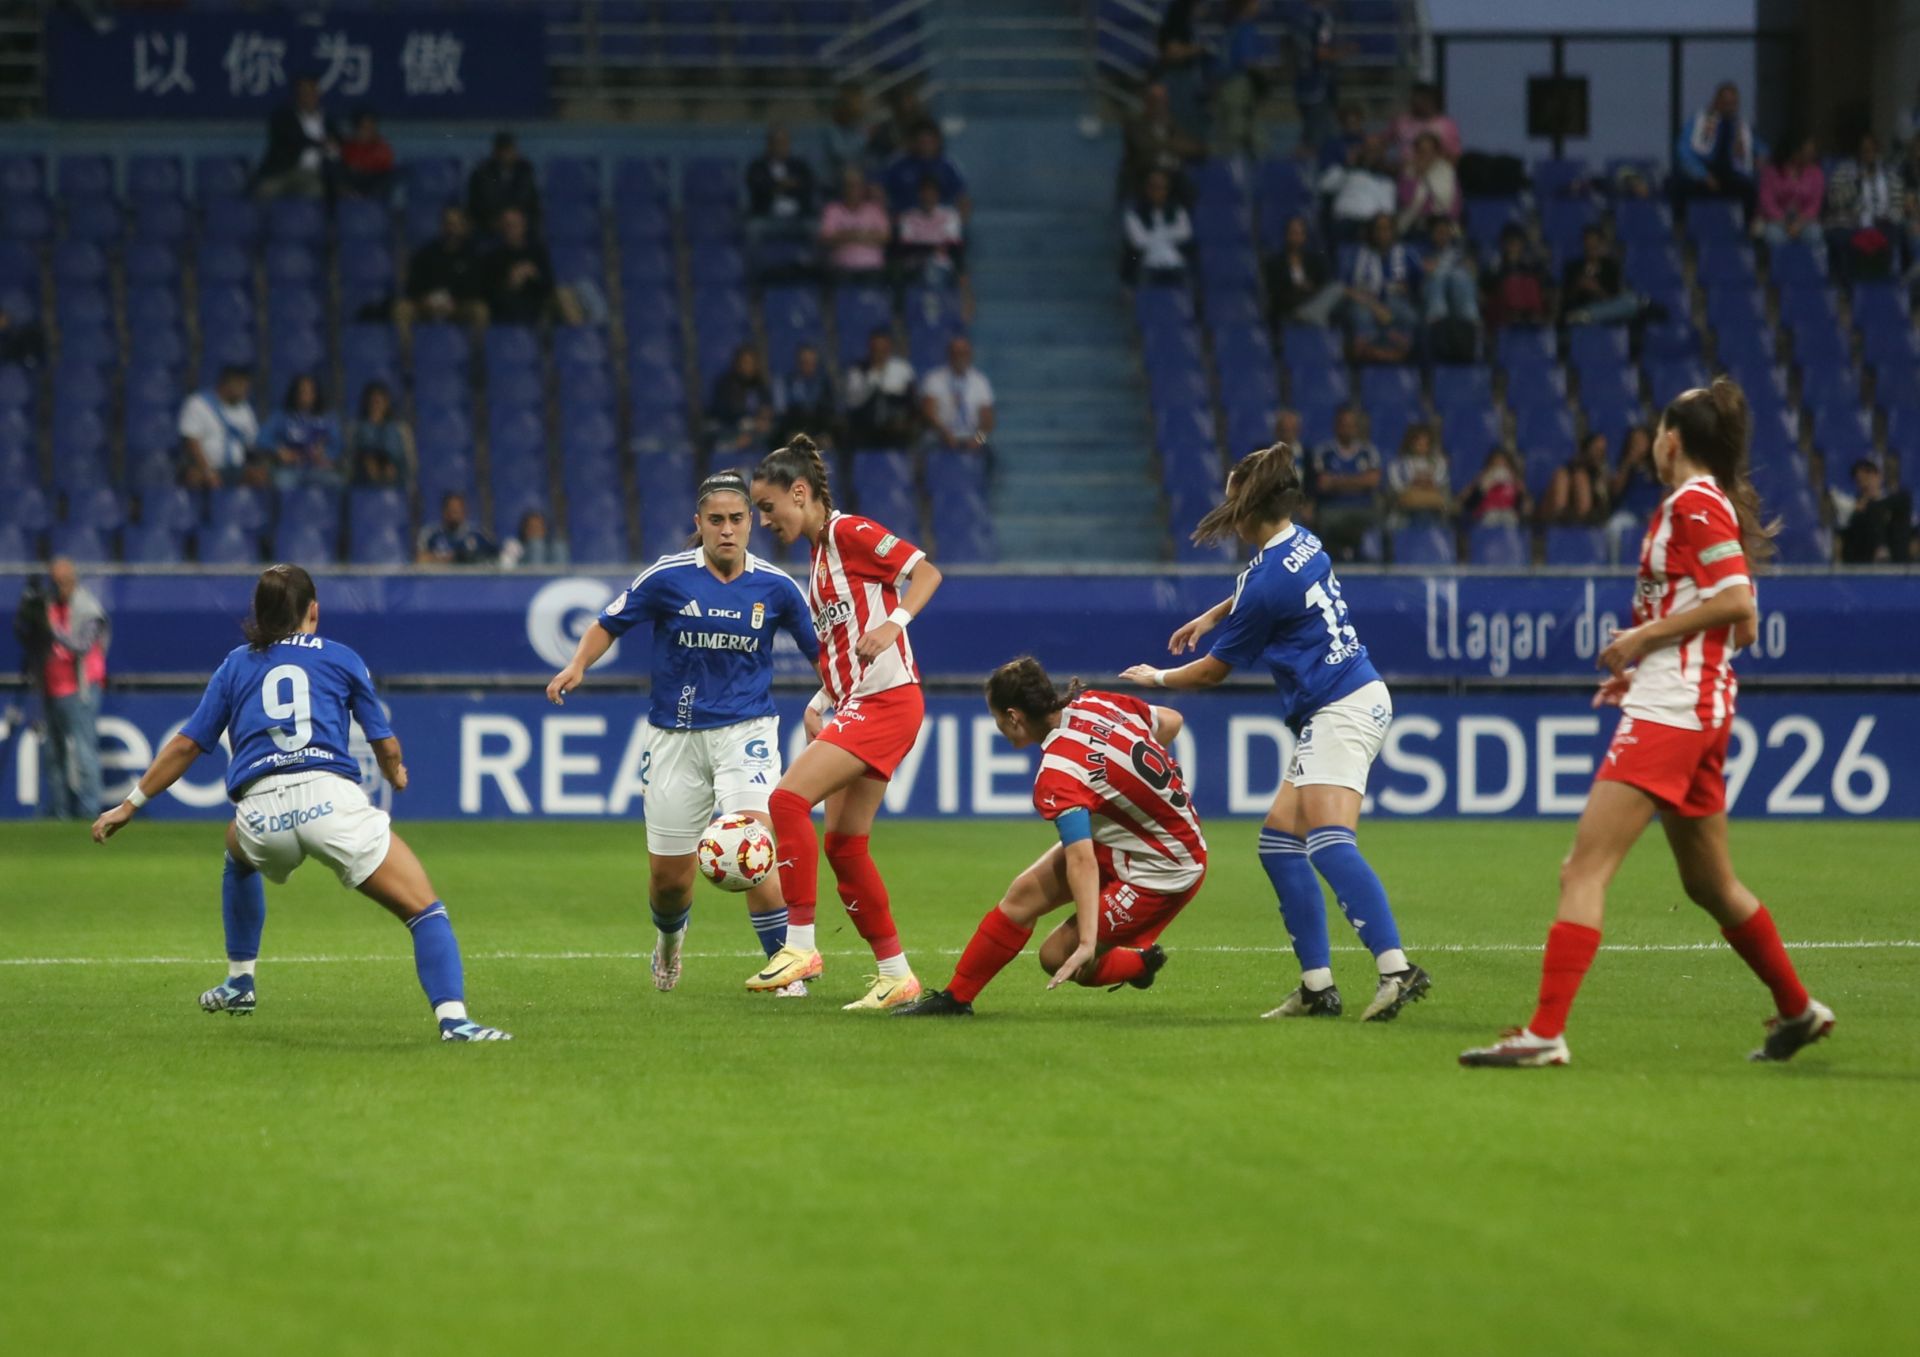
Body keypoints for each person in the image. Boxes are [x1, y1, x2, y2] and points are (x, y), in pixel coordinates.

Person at [1462, 380, 1833, 1067]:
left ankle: (1544, 1032)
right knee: (1709, 884)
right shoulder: (1697, 505)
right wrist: (1648, 663)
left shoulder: (1694, 504)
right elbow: (1731, 619)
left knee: (1583, 867)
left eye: (1658, 428)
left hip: (1676, 712)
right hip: (1690, 703)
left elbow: (1739, 610)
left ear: (1670, 440)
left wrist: (1644, 640)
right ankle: (1798, 1008)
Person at [89, 565, 510, 1042]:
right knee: (424, 911)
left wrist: (130, 804)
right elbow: (384, 743)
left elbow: (187, 745)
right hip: (330, 801)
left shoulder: (235, 665)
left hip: (262, 812)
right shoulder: (342, 657)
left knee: (236, 851)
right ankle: (454, 1021)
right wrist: (395, 773)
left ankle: (240, 980)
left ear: (260, 614)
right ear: (314, 610)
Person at [1120, 444, 1431, 1022]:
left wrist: (1155, 676)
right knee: (1279, 843)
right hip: (1345, 699)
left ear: (1249, 507)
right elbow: (1258, 585)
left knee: (1330, 841)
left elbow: (1213, 671)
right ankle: (1318, 988)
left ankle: (1396, 969)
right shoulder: (1301, 540)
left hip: (1341, 707)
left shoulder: (1266, 584)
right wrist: (1213, 615)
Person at [546, 472, 821, 994]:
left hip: (747, 730)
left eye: (736, 519)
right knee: (669, 883)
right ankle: (669, 945)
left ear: (749, 525)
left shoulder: (777, 587)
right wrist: (578, 664)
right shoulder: (667, 577)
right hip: (675, 737)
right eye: (715, 520)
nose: (726, 530)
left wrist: (830, 700)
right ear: (699, 523)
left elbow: (820, 654)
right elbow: (609, 621)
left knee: (754, 846)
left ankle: (785, 971)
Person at [746, 436, 946, 1010]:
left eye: (767, 507)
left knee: (785, 801)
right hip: (863, 701)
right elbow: (845, 645)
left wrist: (896, 624)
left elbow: (927, 573)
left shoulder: (848, 532)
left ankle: (801, 946)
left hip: (888, 701)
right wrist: (821, 700)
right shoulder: (816, 558)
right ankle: (896, 974)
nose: (764, 521)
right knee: (845, 846)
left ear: (800, 493)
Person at [893, 661, 1206, 1016]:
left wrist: (1088, 941)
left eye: (996, 717)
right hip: (1134, 839)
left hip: (1165, 868)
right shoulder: (1097, 704)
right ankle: (956, 998)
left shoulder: (1059, 771)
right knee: (1023, 894)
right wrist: (1125, 781)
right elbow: (1171, 721)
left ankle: (1140, 965)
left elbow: (1081, 860)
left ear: (1014, 716)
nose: (998, 727)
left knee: (1056, 955)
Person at [31, 558, 108, 820]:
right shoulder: (48, 606)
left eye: (62, 581)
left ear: (73, 580)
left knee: (85, 752)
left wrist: (52, 629)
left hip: (80, 690)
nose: (58, 586)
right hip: (51, 689)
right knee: (53, 754)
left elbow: (81, 645)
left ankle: (88, 812)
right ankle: (60, 811)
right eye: (54, 581)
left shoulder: (89, 608)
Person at [394, 205, 487, 341]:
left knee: (480, 310)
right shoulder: (426, 253)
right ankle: (406, 357)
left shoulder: (472, 256)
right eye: (448, 223)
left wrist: (454, 300)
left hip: (457, 306)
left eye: (456, 224)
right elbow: (412, 286)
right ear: (442, 226)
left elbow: (477, 289)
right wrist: (425, 299)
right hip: (426, 305)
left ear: (463, 227)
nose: (452, 228)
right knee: (401, 309)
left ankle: (476, 356)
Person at [478, 207, 581, 327]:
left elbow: (549, 283)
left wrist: (534, 274)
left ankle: (580, 339)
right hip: (509, 307)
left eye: (515, 225)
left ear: (523, 226)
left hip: (538, 304)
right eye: (507, 225)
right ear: (501, 228)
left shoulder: (537, 251)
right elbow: (489, 294)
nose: (511, 229)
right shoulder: (493, 257)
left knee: (564, 294)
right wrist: (511, 283)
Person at [1675, 82, 1760, 218]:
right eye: (1726, 103)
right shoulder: (1699, 122)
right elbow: (1684, 153)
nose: (1730, 108)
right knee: (1678, 186)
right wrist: (1704, 175)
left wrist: (1761, 156)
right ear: (1716, 102)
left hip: (1730, 176)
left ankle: (1750, 231)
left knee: (1750, 189)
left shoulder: (1741, 126)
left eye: (1733, 104)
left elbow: (1757, 147)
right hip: (1703, 175)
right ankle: (1680, 231)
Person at [1308, 405, 1382, 560]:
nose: (1347, 429)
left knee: (1381, 524)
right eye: (1343, 424)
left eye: (1351, 425)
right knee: (1324, 523)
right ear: (1336, 426)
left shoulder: (1368, 452)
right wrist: (1359, 481)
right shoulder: (1324, 452)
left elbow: (1373, 481)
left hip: (1363, 509)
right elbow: (1323, 483)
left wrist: (1337, 481)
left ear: (1356, 427)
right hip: (1333, 509)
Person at [1825, 133, 1901, 282]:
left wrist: (1891, 217)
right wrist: (1856, 183)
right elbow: (1834, 201)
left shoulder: (1890, 174)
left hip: (1883, 223)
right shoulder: (1845, 171)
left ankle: (1884, 287)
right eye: (1866, 151)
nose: (1870, 155)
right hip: (1851, 222)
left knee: (1896, 234)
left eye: (1874, 151)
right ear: (1859, 152)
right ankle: (1851, 287)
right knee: (1846, 239)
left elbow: (1897, 204)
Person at [1342, 212, 1416, 363]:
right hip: (1363, 301)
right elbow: (1343, 288)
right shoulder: (1355, 254)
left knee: (1407, 313)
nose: (1383, 233)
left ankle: (1398, 352)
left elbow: (1414, 283)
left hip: (1392, 303)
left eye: (1387, 229)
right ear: (1372, 231)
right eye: (1379, 229)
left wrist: (1405, 288)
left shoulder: (1404, 254)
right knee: (1362, 313)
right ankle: (1368, 353)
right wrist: (1374, 306)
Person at [178, 365, 263, 491]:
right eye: (241, 385)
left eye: (247, 386)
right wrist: (208, 471)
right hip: (205, 467)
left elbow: (251, 443)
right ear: (227, 383)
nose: (245, 390)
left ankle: (243, 509)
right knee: (194, 477)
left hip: (236, 469)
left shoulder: (245, 409)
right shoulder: (198, 403)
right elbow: (191, 443)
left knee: (259, 476)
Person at [252, 74, 336, 201]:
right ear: (297, 95)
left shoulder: (328, 121)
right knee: (265, 190)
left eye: (312, 91)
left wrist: (331, 148)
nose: (309, 96)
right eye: (304, 92)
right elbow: (292, 139)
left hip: (312, 175)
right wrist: (320, 144)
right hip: (283, 172)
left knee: (318, 190)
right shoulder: (283, 117)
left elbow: (336, 145)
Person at [1120, 81, 1204, 203]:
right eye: (1156, 100)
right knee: (1155, 181)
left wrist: (1168, 144)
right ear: (1147, 101)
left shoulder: (1172, 124)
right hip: (1145, 172)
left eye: (1163, 100)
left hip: (1173, 174)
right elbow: (1143, 147)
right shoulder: (1135, 124)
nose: (1160, 104)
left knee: (1189, 188)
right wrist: (1174, 145)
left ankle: (1181, 219)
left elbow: (1197, 148)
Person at [1211, 0, 1273, 159]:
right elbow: (1247, 61)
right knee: (1237, 133)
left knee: (1227, 133)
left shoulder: (1230, 28)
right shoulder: (1246, 28)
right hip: (1238, 84)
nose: (1258, 5)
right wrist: (1266, 74)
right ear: (1246, 6)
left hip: (1224, 84)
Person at [259, 374, 341, 491]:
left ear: (316, 394)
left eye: (310, 391)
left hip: (317, 468)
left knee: (336, 483)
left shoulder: (327, 418)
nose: (306, 395)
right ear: (295, 393)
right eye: (302, 391)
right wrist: (279, 450)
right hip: (290, 469)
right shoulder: (282, 416)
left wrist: (325, 454)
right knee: (281, 482)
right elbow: (262, 439)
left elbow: (337, 445)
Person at [919, 335, 995, 457]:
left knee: (991, 455)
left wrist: (978, 439)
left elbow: (988, 421)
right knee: (924, 447)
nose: (960, 357)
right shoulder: (934, 378)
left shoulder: (980, 381)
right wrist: (944, 434)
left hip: (971, 436)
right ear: (949, 355)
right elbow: (928, 413)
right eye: (956, 353)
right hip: (939, 436)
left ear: (970, 355)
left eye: (964, 353)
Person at [844, 327, 917, 450]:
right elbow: (852, 402)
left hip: (895, 430)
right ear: (870, 348)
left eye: (883, 348)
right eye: (876, 348)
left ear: (889, 348)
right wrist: (872, 375)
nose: (879, 352)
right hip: (865, 430)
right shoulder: (857, 371)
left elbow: (912, 401)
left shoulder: (903, 369)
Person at [1754, 133, 1825, 258]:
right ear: (1795, 151)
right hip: (1777, 221)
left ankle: (1809, 272)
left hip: (1804, 222)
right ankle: (1782, 274)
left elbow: (1815, 204)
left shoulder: (1816, 173)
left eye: (1812, 151)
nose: (1810, 154)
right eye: (1806, 150)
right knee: (1774, 236)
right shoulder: (1771, 171)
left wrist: (1799, 223)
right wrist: (1785, 223)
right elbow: (1767, 202)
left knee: (1815, 233)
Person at [881, 119, 969, 218]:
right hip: (904, 222)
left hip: (940, 224)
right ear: (913, 143)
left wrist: (958, 223)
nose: (927, 146)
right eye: (923, 142)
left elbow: (962, 197)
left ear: (938, 142)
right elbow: (879, 189)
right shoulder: (898, 165)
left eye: (930, 142)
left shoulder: (947, 166)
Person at [1266, 214, 1343, 328]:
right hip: (1290, 304)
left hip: (1311, 301)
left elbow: (1323, 284)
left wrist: (1310, 287)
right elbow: (1274, 290)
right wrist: (1296, 287)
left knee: (1337, 288)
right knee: (1322, 316)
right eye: (1293, 233)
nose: (1296, 237)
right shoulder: (1275, 262)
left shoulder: (1314, 260)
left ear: (1304, 236)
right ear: (1287, 235)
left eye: (1299, 233)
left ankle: (1309, 315)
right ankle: (1311, 318)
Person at [817, 165, 891, 283]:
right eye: (849, 185)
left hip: (872, 269)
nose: (853, 189)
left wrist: (845, 234)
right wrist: (864, 234)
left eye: (857, 185)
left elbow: (885, 238)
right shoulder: (832, 209)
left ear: (863, 188)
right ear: (843, 187)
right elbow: (826, 238)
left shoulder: (875, 209)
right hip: (841, 269)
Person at [1120, 168, 1194, 287]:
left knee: (1189, 284)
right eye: (1153, 187)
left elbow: (1185, 234)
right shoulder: (1134, 213)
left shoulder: (1177, 210)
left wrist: (1154, 234)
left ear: (1167, 190)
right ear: (1146, 188)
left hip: (1175, 264)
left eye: (1161, 187)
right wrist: (1169, 233)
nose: (1157, 191)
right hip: (1148, 265)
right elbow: (1139, 241)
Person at [1560, 225, 1643, 327]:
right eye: (1588, 244)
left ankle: (1590, 315)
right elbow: (1566, 301)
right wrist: (1578, 287)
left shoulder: (1610, 266)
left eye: (1594, 244)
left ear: (1601, 244)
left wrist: (1597, 289)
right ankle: (1587, 315)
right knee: (1629, 305)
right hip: (1582, 307)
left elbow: (1614, 298)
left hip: (1605, 310)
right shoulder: (1573, 267)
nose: (1591, 248)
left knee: (1629, 301)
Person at [896, 174, 968, 288]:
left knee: (933, 272)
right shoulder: (908, 218)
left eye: (932, 193)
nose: (928, 197)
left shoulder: (950, 216)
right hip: (914, 268)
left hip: (942, 268)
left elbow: (953, 249)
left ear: (938, 195)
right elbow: (906, 249)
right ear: (919, 194)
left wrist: (922, 248)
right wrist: (934, 248)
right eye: (925, 193)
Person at [1320, 137, 1397, 242]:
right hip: (1344, 224)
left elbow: (1387, 212)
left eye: (1375, 150)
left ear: (1381, 154)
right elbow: (1324, 186)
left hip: (1370, 228)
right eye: (1368, 150)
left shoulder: (1387, 182)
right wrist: (1347, 167)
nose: (1371, 155)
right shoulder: (1346, 172)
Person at [1837, 459, 1914, 563]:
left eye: (1868, 478)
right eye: (1860, 481)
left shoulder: (1900, 500)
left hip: (1899, 567)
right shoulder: (1857, 514)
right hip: (1869, 570)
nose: (1865, 484)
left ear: (1879, 477)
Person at [1290, 0, 1340, 159]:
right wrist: (1346, 51)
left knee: (1309, 135)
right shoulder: (1322, 18)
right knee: (1319, 140)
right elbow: (1321, 53)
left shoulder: (1297, 16)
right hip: (1318, 86)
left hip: (1302, 85)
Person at [1481, 223, 1554, 331]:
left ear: (1522, 244)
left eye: (1516, 242)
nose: (1513, 246)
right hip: (1504, 312)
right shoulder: (1496, 267)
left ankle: (1532, 316)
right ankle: (1517, 315)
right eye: (1509, 242)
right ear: (1503, 244)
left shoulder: (1530, 267)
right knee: (1511, 283)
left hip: (1530, 313)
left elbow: (1546, 284)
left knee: (1530, 282)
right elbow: (1487, 289)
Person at [467, 130, 541, 236]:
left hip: (519, 226)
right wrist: (501, 219)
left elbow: (530, 202)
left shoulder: (525, 171)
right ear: (495, 152)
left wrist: (514, 219)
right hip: (490, 226)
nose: (506, 154)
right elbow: (479, 204)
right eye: (502, 150)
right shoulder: (482, 172)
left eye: (509, 149)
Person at [1420, 214, 1480, 345]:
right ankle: (1437, 323)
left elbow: (1473, 276)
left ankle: (1470, 320)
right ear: (1431, 234)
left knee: (1460, 276)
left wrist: (1469, 269)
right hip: (1434, 298)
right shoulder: (1423, 252)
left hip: (1458, 297)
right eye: (1438, 232)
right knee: (1438, 274)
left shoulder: (1460, 252)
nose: (1442, 235)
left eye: (1445, 232)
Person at [707, 344, 774, 457]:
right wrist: (746, 423)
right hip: (731, 427)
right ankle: (730, 446)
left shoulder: (759, 386)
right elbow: (722, 413)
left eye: (752, 363)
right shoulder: (726, 384)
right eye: (745, 362)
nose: (749, 367)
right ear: (737, 364)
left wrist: (765, 417)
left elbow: (767, 408)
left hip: (754, 432)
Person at [346, 381, 414, 489]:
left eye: (379, 402)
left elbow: (410, 463)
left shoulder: (400, 429)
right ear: (366, 403)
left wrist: (395, 467)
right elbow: (348, 459)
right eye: (372, 402)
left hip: (395, 475)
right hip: (363, 474)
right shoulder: (356, 428)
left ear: (387, 403)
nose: (376, 406)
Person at [745, 124, 816, 226]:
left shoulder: (800, 165)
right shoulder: (757, 166)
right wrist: (782, 184)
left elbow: (808, 184)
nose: (781, 147)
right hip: (766, 213)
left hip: (799, 214)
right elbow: (758, 187)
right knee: (753, 226)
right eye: (777, 143)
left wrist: (781, 187)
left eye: (784, 143)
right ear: (769, 144)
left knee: (813, 226)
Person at [1540, 431, 1613, 526]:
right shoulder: (1564, 475)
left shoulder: (1602, 474)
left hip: (1593, 526)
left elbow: (1605, 506)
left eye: (1603, 451)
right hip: (1561, 525)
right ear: (1586, 450)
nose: (1600, 454)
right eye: (1596, 449)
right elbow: (1558, 511)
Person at [773, 343, 838, 448]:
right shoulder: (789, 382)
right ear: (798, 363)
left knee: (828, 440)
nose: (808, 365)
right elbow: (783, 411)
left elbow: (830, 409)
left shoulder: (823, 384)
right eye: (804, 362)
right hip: (794, 426)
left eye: (811, 362)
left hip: (818, 428)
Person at [1386, 422, 1451, 526]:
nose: (1422, 447)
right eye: (1419, 443)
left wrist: (1423, 493)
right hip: (1405, 516)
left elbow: (1442, 498)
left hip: (1433, 515)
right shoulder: (1397, 465)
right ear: (1410, 443)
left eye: (1426, 443)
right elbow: (1401, 497)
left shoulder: (1439, 463)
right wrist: (1424, 493)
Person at [1396, 130, 1460, 233]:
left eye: (1429, 151)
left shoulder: (1447, 171)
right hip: (1413, 225)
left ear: (1436, 152)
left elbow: (1455, 207)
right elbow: (1405, 201)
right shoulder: (1408, 172)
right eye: (1420, 151)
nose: (1424, 155)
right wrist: (1417, 176)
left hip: (1442, 224)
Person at [1387, 81, 1462, 167]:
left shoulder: (1446, 125)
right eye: (1414, 98)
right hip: (1405, 173)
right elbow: (1385, 142)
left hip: (1434, 173)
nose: (1415, 101)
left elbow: (1454, 155)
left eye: (1421, 98)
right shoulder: (1401, 122)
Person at [415, 491, 497, 565]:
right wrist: (454, 558)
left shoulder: (477, 534)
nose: (456, 514)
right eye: (453, 510)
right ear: (445, 512)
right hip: (439, 580)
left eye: (459, 510)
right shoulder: (430, 534)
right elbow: (420, 560)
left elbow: (496, 557)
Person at [1462, 446, 1530, 525]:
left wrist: (1522, 493)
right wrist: (1482, 488)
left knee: (1509, 517)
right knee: (1491, 516)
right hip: (1486, 516)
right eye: (1495, 464)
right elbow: (1467, 505)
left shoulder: (1515, 481)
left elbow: (1526, 508)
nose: (1499, 468)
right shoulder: (1481, 478)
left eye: (1503, 464)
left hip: (1508, 516)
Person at [338, 107, 395, 201]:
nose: (369, 131)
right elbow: (351, 166)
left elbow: (386, 164)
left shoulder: (382, 146)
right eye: (364, 127)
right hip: (355, 182)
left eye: (371, 127)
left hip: (376, 182)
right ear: (357, 129)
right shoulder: (348, 147)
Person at [820, 83, 868, 182]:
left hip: (858, 180)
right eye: (852, 103)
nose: (857, 107)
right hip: (835, 183)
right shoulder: (830, 129)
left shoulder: (857, 126)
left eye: (858, 101)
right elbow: (841, 154)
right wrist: (867, 138)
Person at [500, 508, 569, 569]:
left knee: (559, 546)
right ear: (525, 530)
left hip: (554, 580)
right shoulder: (515, 545)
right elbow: (506, 568)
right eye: (532, 527)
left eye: (539, 527)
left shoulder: (554, 549)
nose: (536, 531)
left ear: (545, 530)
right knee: (536, 545)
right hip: (525, 577)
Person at [1317, 102, 1368, 174]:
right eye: (1349, 123)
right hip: (1342, 177)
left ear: (1361, 121)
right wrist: (1345, 161)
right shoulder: (1332, 144)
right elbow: (1325, 168)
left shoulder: (1368, 142)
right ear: (1342, 123)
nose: (1352, 127)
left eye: (1355, 122)